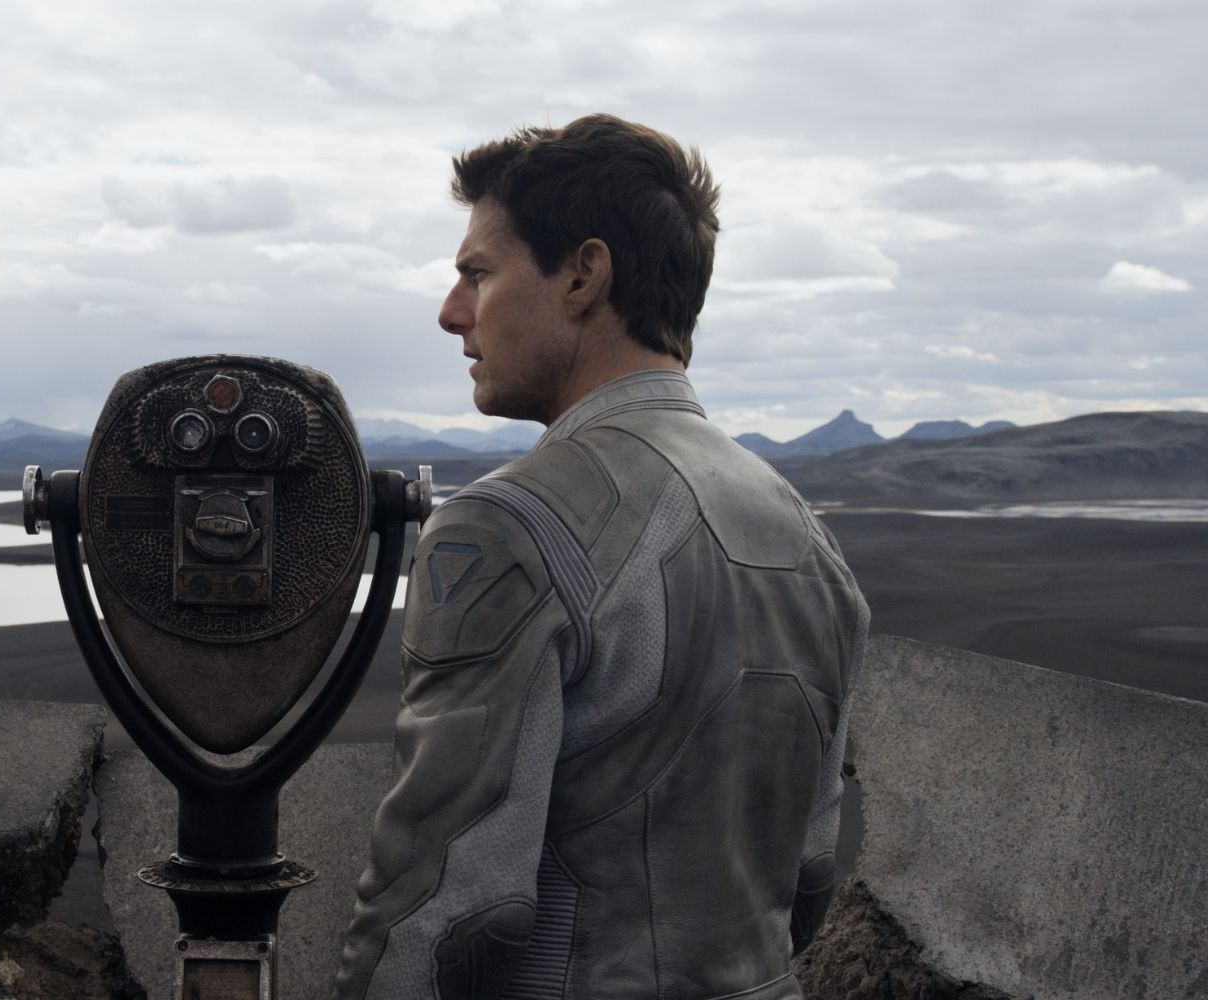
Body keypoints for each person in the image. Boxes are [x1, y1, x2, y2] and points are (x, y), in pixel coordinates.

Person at [333, 115, 871, 1000]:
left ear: (583, 274)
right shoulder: (808, 535)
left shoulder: (504, 526)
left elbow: (448, 915)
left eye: (477, 272)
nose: (451, 311)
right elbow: (809, 877)